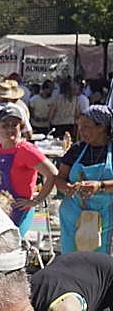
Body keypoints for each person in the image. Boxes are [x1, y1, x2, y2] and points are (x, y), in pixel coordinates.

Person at [0, 105, 57, 238]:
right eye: (5, 125)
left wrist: (36, 201)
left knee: (14, 245)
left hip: (19, 210)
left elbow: (52, 173)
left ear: (21, 126)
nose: (10, 129)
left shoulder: (25, 150)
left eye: (14, 125)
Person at [54, 104, 113, 253]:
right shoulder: (76, 150)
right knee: (72, 263)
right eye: (80, 126)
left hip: (106, 218)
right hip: (73, 217)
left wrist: (100, 186)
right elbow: (59, 178)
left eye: (86, 126)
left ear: (102, 127)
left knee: (100, 265)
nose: (81, 131)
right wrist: (66, 187)